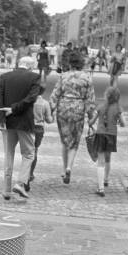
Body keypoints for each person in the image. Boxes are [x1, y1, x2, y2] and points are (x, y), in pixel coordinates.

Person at [0, 55, 41, 200]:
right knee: (28, 153)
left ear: (18, 64)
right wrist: (14, 109)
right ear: (31, 66)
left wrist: (0, 119)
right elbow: (31, 98)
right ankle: (20, 183)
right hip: (24, 121)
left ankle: (6, 189)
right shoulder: (34, 77)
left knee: (9, 154)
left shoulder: (5, 77)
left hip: (7, 122)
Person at [49, 51, 96, 184]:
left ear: (70, 63)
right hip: (78, 109)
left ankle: (64, 170)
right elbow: (90, 100)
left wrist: (49, 111)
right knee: (74, 142)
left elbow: (55, 94)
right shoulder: (87, 78)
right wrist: (91, 118)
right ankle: (69, 167)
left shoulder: (63, 76)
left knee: (64, 140)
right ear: (81, 64)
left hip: (63, 109)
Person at [88, 86, 125, 196]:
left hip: (100, 134)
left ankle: (101, 188)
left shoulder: (100, 107)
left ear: (106, 96)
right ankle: (106, 179)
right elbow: (123, 123)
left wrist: (89, 118)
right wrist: (118, 122)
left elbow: (91, 122)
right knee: (108, 158)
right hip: (111, 135)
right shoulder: (118, 108)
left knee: (101, 161)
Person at [27, 83, 53, 188]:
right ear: (43, 92)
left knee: (27, 152)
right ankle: (30, 174)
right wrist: (53, 116)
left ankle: (25, 174)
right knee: (35, 151)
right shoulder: (45, 103)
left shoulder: (29, 101)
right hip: (39, 129)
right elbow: (49, 120)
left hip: (28, 128)